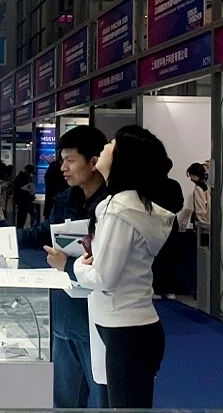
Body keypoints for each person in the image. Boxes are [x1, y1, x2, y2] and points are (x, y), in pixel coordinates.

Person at [64, 125, 175, 408]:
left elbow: (105, 277)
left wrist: (77, 267)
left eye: (111, 144)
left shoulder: (118, 209)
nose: (105, 147)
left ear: (124, 158)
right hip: (129, 326)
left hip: (125, 329)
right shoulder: (133, 205)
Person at [18, 125, 109, 408]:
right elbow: (44, 233)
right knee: (65, 399)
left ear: (93, 161)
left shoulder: (112, 206)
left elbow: (111, 266)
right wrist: (2, 239)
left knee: (105, 399)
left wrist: (67, 264)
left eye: (70, 160)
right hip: (65, 311)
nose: (63, 168)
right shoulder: (65, 199)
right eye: (61, 161)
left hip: (99, 316)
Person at [150, 160, 184, 300]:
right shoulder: (174, 185)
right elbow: (179, 204)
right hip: (170, 223)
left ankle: (156, 288)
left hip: (155, 223)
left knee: (156, 257)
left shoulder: (151, 185)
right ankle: (169, 289)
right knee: (171, 257)